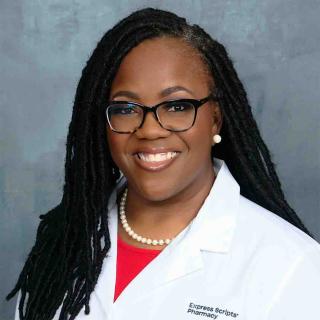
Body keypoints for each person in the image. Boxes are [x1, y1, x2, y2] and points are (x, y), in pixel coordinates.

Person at [6, 7, 320, 320]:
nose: (150, 129)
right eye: (126, 108)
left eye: (177, 106)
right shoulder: (63, 243)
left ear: (216, 119)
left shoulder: (292, 266)